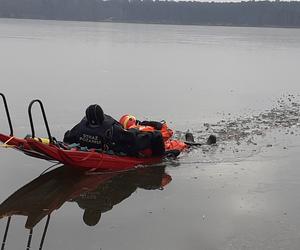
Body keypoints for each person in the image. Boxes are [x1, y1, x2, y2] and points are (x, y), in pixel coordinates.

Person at [63, 105, 165, 157]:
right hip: (116, 147)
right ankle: (160, 157)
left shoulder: (81, 126)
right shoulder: (111, 129)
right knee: (157, 136)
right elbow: (130, 138)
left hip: (111, 142)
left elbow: (68, 137)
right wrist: (135, 131)